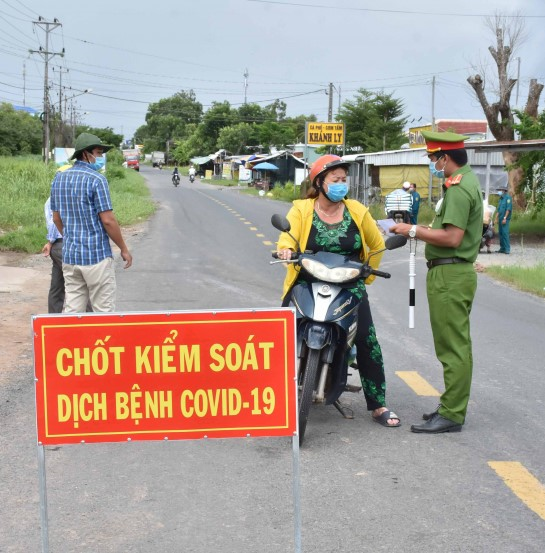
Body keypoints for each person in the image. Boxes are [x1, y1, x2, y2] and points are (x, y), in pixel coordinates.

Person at [276, 154, 401, 427]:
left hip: (348, 282)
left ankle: (378, 405)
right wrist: (285, 249)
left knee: (368, 341)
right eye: (335, 180)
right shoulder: (301, 209)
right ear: (319, 182)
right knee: (281, 332)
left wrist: (364, 277)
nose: (341, 184)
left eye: (344, 180)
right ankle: (275, 393)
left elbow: (377, 244)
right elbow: (289, 235)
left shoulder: (357, 210)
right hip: (308, 278)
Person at [391, 131, 482, 434]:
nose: (433, 164)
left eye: (433, 159)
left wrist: (413, 230)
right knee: (454, 344)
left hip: (451, 274)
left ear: (446, 157)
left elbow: (452, 237)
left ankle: (453, 414)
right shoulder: (464, 182)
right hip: (451, 273)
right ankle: (450, 406)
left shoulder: (459, 188)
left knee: (452, 347)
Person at [50, 133, 133, 313]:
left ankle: (72, 341)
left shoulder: (59, 179)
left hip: (71, 257)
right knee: (103, 313)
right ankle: (101, 342)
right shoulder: (97, 180)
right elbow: (108, 220)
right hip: (96, 257)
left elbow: (56, 218)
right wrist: (123, 248)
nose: (100, 157)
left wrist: (72, 237)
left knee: (73, 311)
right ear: (86, 154)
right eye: (98, 152)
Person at [41, 197, 65, 313]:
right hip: (65, 243)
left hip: (57, 244)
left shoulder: (51, 199)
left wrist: (50, 242)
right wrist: (51, 240)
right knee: (80, 285)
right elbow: (54, 221)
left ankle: (54, 321)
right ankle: (90, 322)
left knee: (57, 286)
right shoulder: (61, 197)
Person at [494, 184, 512, 254]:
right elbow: (499, 210)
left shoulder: (508, 198)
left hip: (505, 219)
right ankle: (502, 248)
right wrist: (496, 218)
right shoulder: (500, 199)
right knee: (500, 233)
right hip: (500, 219)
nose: (499, 192)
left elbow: (508, 209)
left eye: (499, 190)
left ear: (504, 191)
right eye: (498, 190)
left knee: (505, 233)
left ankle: (507, 249)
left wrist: (505, 218)